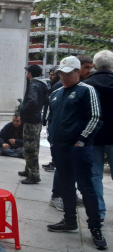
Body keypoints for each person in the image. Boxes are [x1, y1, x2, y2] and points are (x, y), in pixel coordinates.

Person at [47, 56, 107, 250]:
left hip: (79, 149)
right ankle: (69, 220)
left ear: (76, 72)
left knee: (86, 187)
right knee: (66, 185)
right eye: (61, 74)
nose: (63, 77)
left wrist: (81, 140)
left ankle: (95, 228)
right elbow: (51, 118)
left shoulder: (86, 90)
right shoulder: (56, 93)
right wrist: (51, 139)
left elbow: (96, 117)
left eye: (67, 73)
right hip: (60, 148)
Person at [84, 50, 113, 222]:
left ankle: (99, 212)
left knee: (95, 175)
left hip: (94, 136)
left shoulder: (88, 85)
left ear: (95, 65)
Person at [18, 64, 50, 184]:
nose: (26, 75)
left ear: (30, 74)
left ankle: (34, 175)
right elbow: (46, 101)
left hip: (31, 120)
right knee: (33, 146)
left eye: (27, 72)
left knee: (30, 148)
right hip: (37, 120)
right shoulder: (42, 84)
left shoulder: (33, 85)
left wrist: (22, 109)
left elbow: (32, 102)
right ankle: (29, 170)